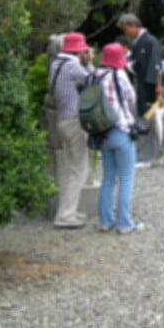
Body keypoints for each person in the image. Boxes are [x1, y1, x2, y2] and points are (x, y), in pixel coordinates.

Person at [96, 43, 144, 235]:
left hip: (101, 132)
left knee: (107, 178)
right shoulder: (120, 75)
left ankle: (105, 221)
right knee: (125, 178)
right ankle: (124, 223)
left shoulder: (95, 75)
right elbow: (132, 98)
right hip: (121, 129)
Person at [49, 33, 94, 229]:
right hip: (75, 121)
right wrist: (89, 62)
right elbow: (94, 81)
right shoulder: (73, 66)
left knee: (69, 168)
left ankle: (68, 210)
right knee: (80, 168)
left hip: (62, 119)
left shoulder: (55, 64)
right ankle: (66, 215)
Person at [117, 13, 161, 167]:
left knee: (145, 119)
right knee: (140, 119)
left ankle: (145, 157)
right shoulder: (139, 42)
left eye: (126, 29)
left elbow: (154, 66)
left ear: (134, 25)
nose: (126, 33)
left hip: (147, 86)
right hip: (139, 84)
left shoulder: (150, 41)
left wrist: (156, 85)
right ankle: (143, 154)